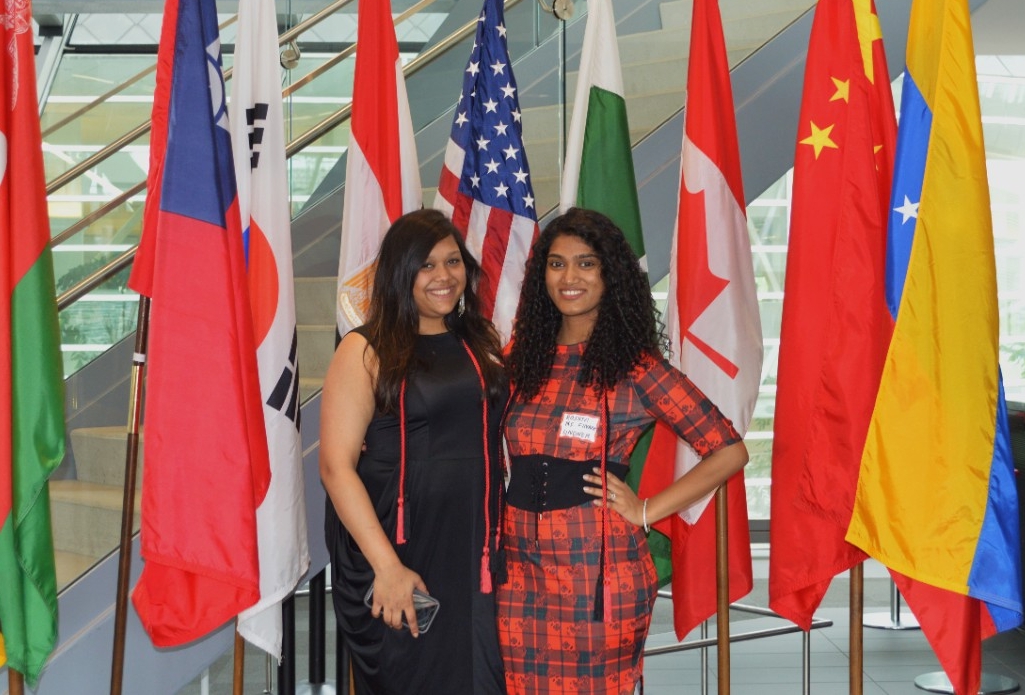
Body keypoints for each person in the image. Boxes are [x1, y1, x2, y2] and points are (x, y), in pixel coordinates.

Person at [498, 207, 749, 695]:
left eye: (586, 263)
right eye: (556, 263)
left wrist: (647, 509)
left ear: (610, 276)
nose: (569, 277)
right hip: (518, 577)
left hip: (598, 576)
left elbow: (728, 450)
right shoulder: (521, 360)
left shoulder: (636, 368)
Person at [321, 208, 508, 694]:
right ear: (400, 272)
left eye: (452, 262)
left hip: (475, 549)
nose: (443, 276)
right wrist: (387, 567)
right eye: (426, 265)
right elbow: (336, 468)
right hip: (401, 551)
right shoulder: (364, 349)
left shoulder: (479, 341)